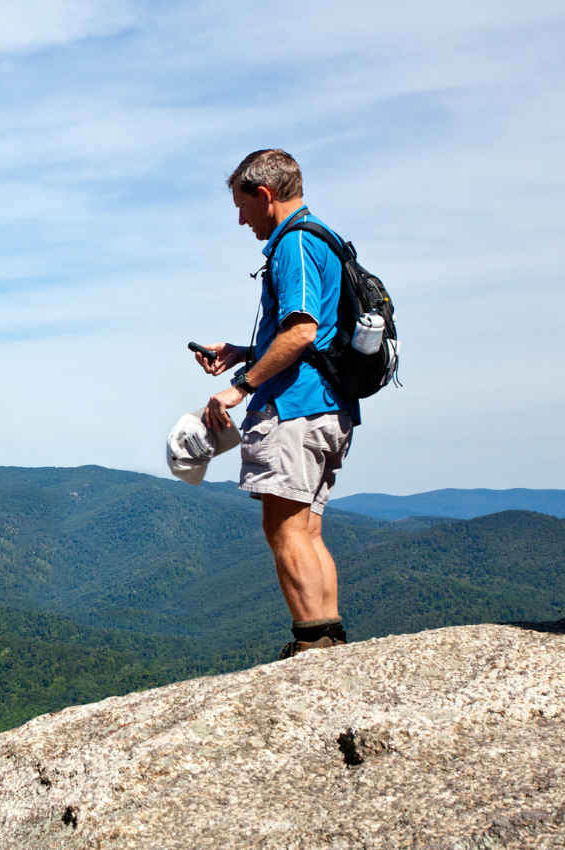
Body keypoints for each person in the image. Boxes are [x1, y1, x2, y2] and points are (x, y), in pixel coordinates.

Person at [195, 149, 357, 659]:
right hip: (327, 406)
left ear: (265, 195)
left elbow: (304, 331)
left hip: (296, 408)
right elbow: (314, 332)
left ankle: (312, 643)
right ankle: (327, 639)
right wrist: (245, 351)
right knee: (307, 527)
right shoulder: (321, 239)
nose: (242, 219)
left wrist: (240, 385)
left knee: (284, 528)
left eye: (243, 207)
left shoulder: (296, 242)